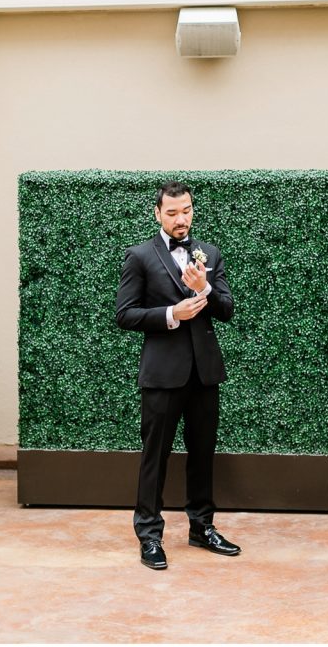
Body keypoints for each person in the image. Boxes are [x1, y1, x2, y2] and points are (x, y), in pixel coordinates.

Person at [116, 180, 240, 570]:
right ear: (158, 214)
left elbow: (226, 309)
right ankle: (149, 535)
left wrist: (204, 288)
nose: (180, 218)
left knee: (202, 454)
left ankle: (202, 527)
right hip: (162, 374)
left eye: (185, 210)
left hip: (204, 373)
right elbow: (125, 314)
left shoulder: (210, 254)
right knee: (156, 456)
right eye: (171, 213)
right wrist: (172, 315)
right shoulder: (139, 256)